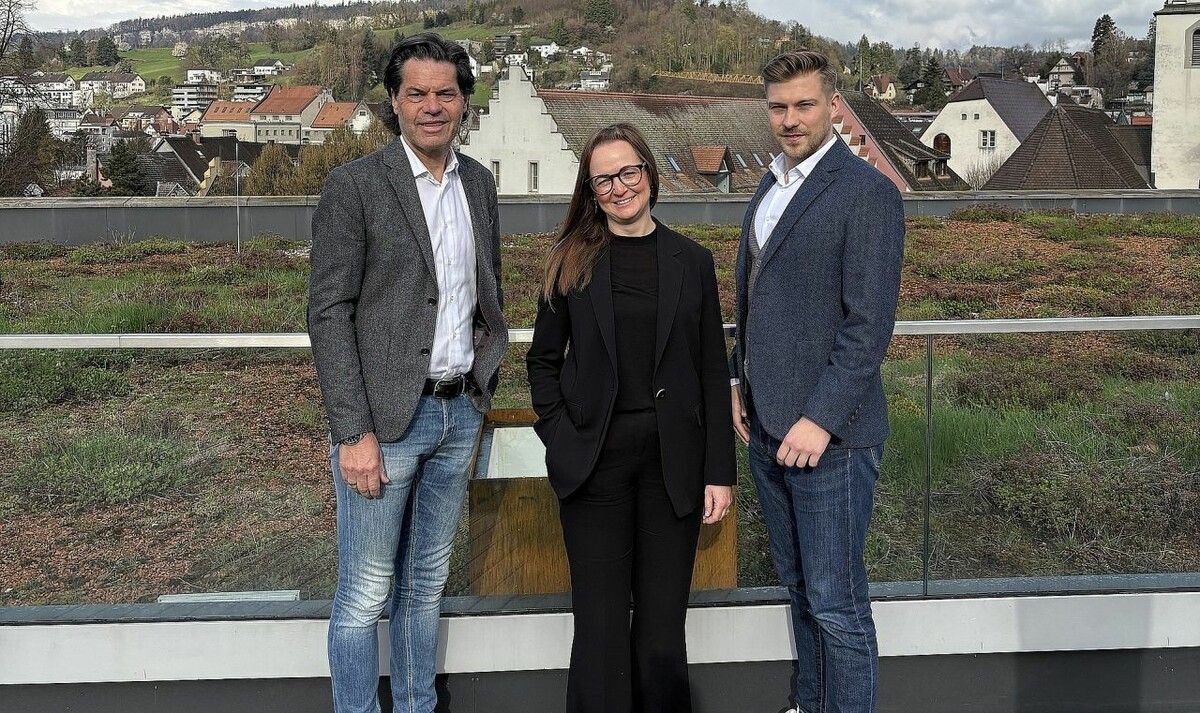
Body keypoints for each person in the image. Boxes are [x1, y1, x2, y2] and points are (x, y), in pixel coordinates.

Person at [307, 33, 506, 713]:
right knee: (363, 596)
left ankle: (418, 706)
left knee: (425, 587)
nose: (431, 105)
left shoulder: (478, 183)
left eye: (445, 93)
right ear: (393, 102)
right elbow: (328, 314)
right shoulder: (355, 186)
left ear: (463, 102)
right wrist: (352, 431)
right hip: (383, 428)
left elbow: (487, 296)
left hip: (456, 418)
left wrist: (479, 395)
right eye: (416, 93)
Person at [526, 123, 736, 713]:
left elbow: (711, 371)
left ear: (648, 173)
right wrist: (560, 435)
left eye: (628, 173)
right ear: (590, 192)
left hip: (673, 468)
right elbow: (543, 363)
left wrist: (720, 471)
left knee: (663, 631)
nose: (619, 188)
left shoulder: (692, 262)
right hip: (593, 467)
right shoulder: (570, 261)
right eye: (604, 180)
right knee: (599, 631)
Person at [728, 50, 905, 713]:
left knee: (837, 602)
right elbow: (752, 298)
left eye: (804, 104)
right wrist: (737, 382)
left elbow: (868, 326)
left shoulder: (868, 193)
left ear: (834, 105)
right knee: (800, 590)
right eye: (779, 106)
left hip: (832, 440)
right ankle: (809, 701)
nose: (790, 119)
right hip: (769, 428)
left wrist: (821, 418)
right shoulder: (770, 185)